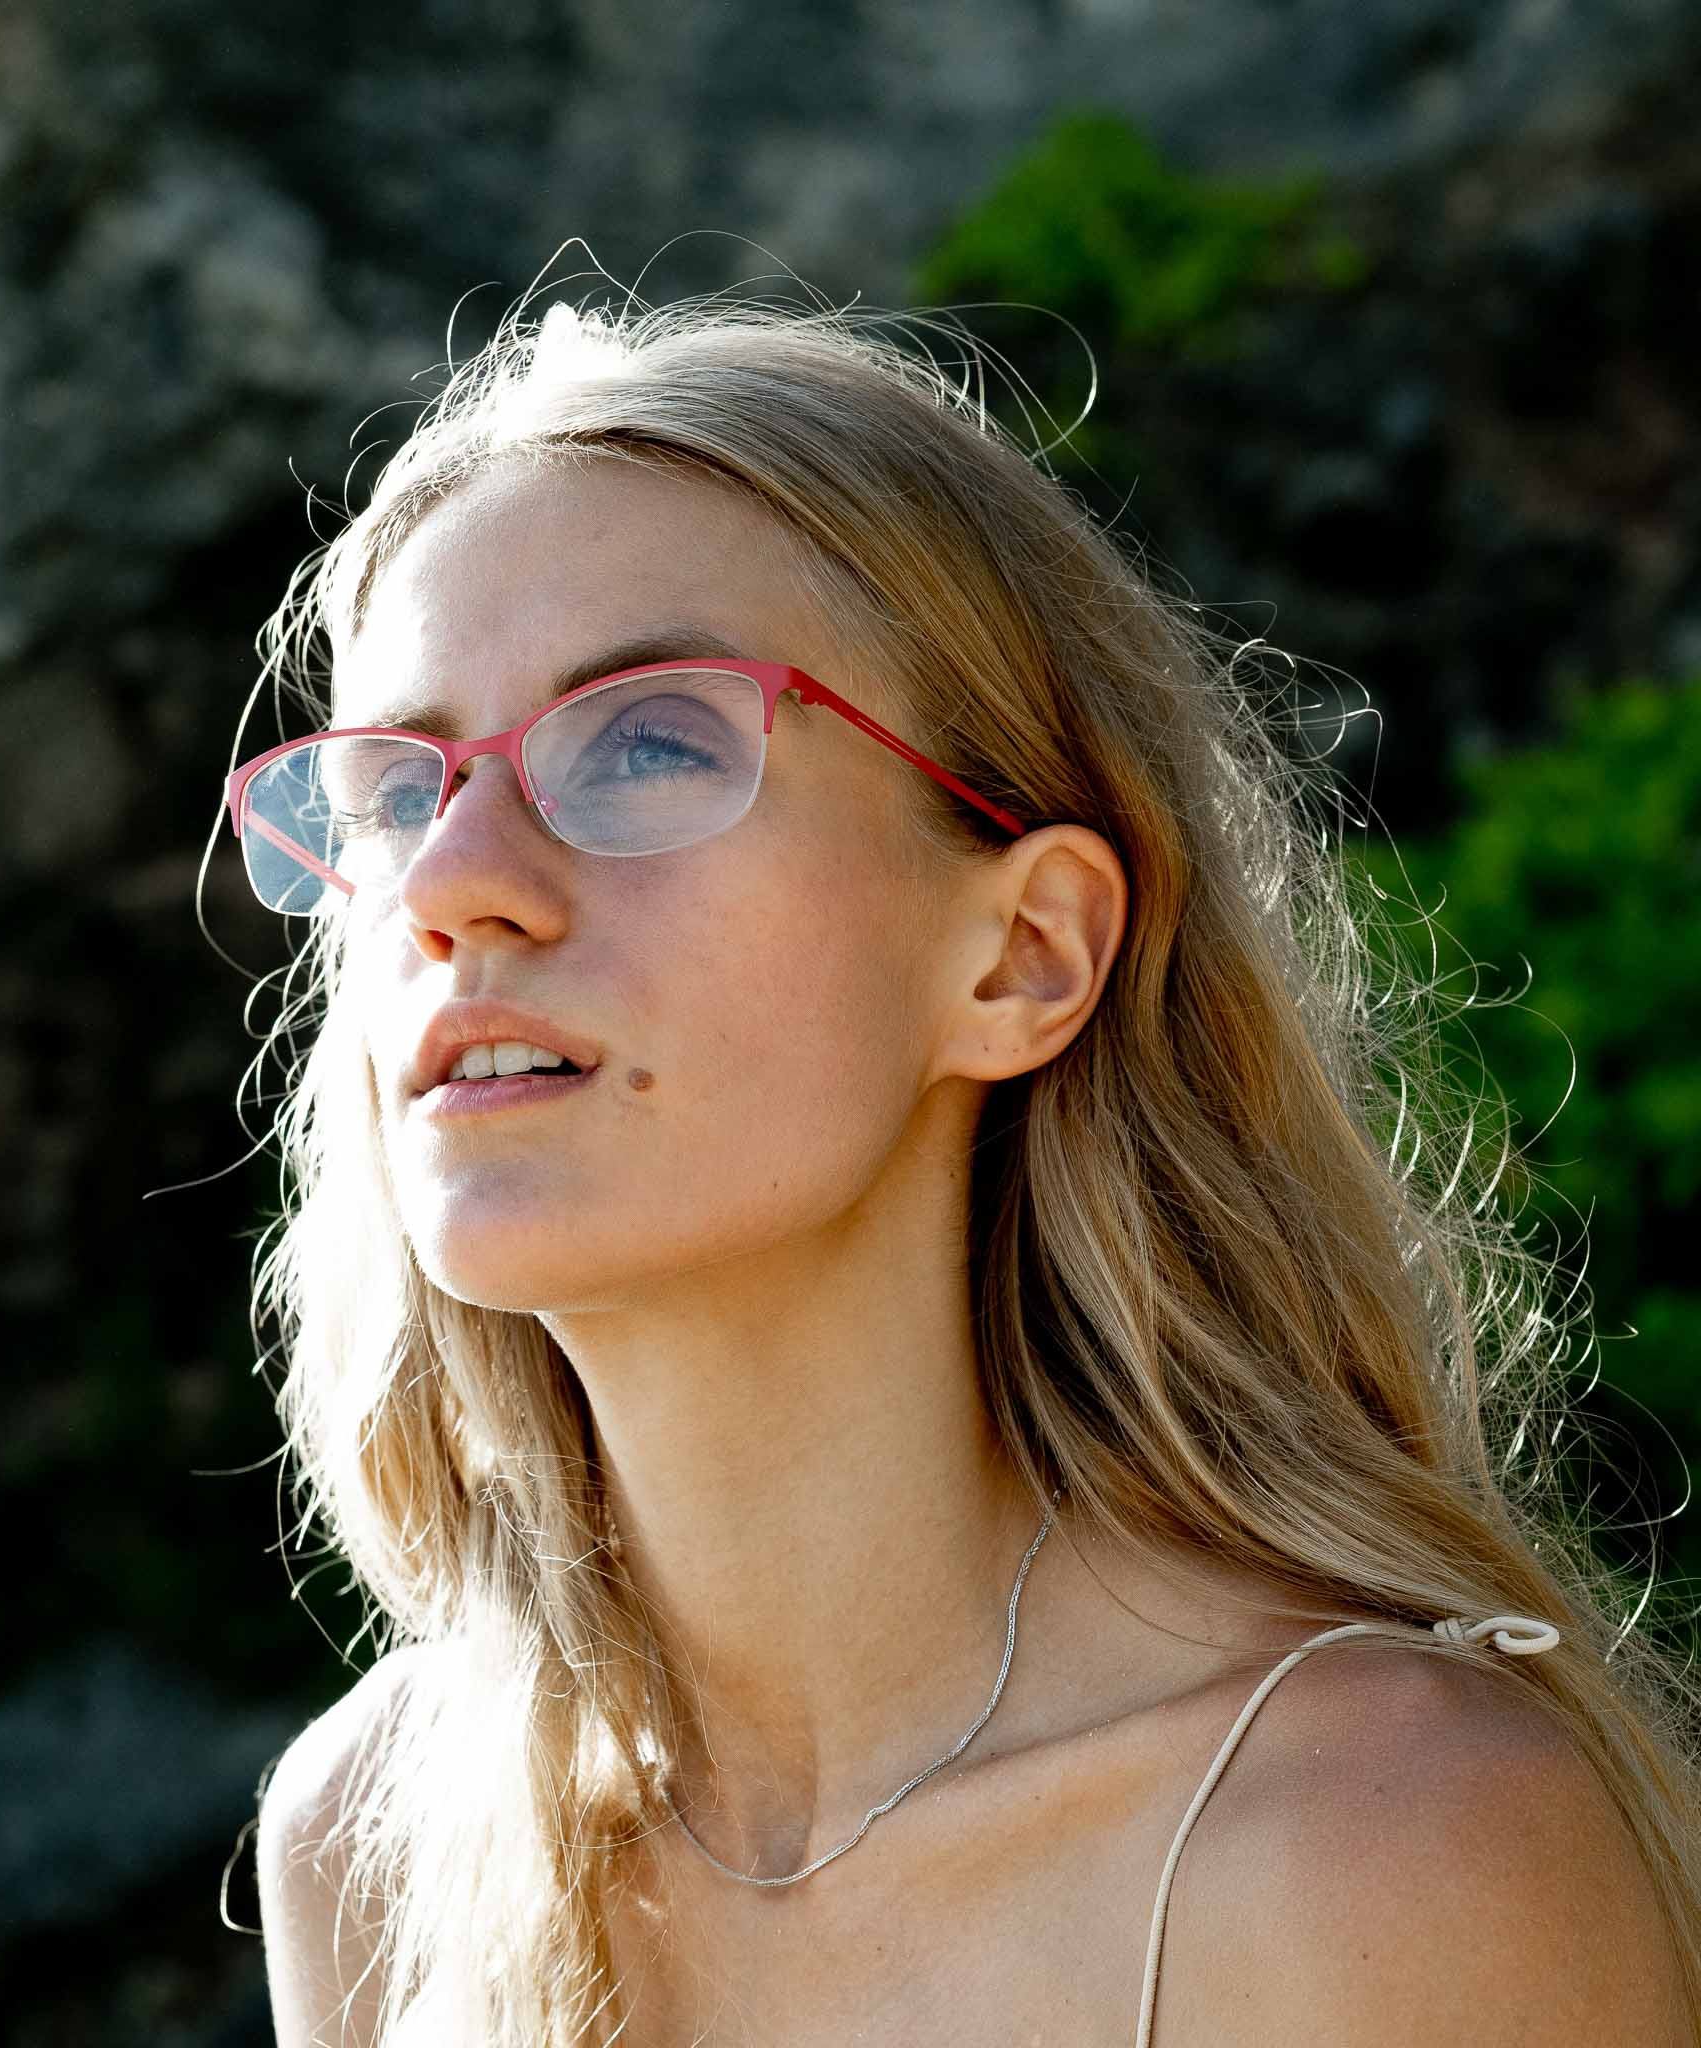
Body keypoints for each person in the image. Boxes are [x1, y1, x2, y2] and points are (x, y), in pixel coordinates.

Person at [225, 280, 1699, 2045]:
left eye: (649, 742)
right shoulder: (372, 1851)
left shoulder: (1375, 1849)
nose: (456, 881)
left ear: (1023, 957)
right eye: (397, 791)